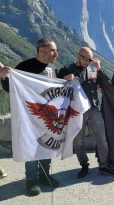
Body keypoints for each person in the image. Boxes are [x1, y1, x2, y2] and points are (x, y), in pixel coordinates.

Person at [0, 38, 60, 196]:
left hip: (48, 116)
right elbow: (9, 88)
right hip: (30, 117)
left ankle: (45, 175)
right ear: (42, 50)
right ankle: (32, 180)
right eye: (53, 50)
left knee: (47, 145)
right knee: (32, 148)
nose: (56, 53)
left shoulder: (52, 67)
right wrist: (5, 77)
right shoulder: (25, 66)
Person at [57, 47, 114, 178]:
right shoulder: (66, 69)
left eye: (90, 59)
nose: (87, 61)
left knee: (102, 138)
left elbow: (107, 84)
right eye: (85, 58)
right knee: (78, 141)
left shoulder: (93, 69)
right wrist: (64, 79)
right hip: (76, 111)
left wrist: (99, 68)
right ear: (78, 55)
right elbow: (55, 87)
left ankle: (103, 165)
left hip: (93, 108)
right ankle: (84, 165)